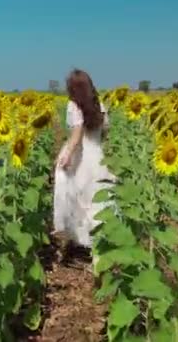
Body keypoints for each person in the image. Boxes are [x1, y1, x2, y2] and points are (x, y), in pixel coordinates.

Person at [53, 69, 116, 265]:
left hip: (81, 159)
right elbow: (105, 130)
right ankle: (99, 254)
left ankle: (72, 242)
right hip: (97, 156)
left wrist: (66, 156)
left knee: (73, 201)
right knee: (97, 204)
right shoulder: (99, 104)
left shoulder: (73, 105)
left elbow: (77, 134)